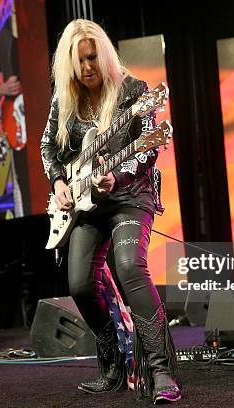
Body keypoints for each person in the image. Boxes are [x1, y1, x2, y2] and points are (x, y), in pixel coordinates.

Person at [40, 20, 179, 404]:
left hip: (131, 196)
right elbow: (48, 147)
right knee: (81, 284)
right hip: (86, 202)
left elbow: (149, 149)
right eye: (79, 61)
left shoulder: (133, 91)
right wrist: (58, 183)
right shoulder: (63, 100)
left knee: (130, 267)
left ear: (104, 56)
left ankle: (160, 369)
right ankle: (113, 363)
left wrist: (115, 176)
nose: (87, 67)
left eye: (92, 58)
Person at [0, 0, 28, 217]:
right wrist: (2, 88)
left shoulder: (33, 25)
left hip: (39, 110)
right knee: (23, 176)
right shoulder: (2, 36)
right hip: (16, 116)